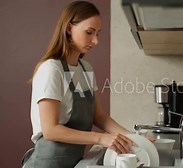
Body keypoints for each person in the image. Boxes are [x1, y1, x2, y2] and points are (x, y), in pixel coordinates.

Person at [22, 1, 135, 167]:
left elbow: (99, 117)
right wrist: (101, 138)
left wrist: (133, 137)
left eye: (97, 33)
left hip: (73, 162)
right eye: (89, 32)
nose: (95, 40)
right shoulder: (51, 69)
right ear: (69, 28)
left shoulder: (86, 69)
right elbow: (50, 130)